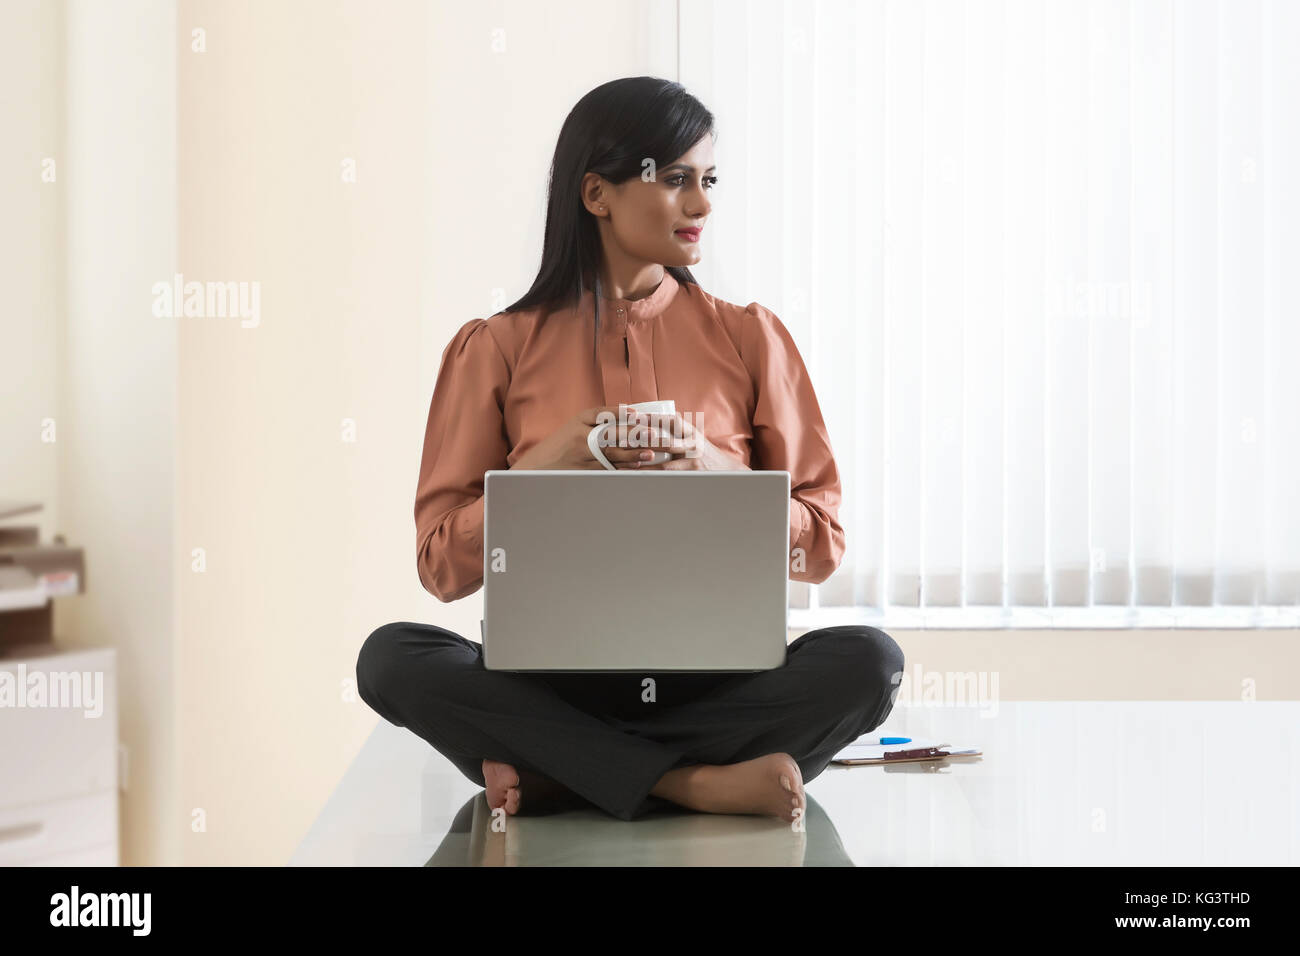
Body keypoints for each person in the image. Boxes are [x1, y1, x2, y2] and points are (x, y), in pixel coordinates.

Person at [357, 76, 904, 824]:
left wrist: (716, 469)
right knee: (391, 659)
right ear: (597, 195)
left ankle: (570, 772)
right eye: (677, 179)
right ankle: (692, 782)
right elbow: (440, 569)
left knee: (871, 663)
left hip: (718, 682)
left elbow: (822, 547)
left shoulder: (750, 338)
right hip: (552, 685)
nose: (703, 205)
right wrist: (540, 469)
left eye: (708, 180)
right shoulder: (496, 349)